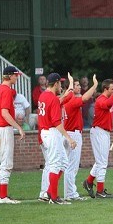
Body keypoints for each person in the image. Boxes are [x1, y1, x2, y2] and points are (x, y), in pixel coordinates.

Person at [38, 72, 77, 205]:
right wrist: (68, 137)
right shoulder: (52, 98)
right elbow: (56, 121)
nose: (61, 85)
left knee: (63, 162)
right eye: (60, 83)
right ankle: (54, 197)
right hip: (51, 132)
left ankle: (50, 191)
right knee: (55, 164)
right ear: (55, 83)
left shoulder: (43, 95)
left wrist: (70, 86)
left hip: (47, 132)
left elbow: (63, 98)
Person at [82, 76, 113, 199]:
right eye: (112, 89)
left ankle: (89, 182)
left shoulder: (106, 98)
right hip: (99, 132)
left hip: (103, 132)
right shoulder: (101, 99)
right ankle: (100, 191)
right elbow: (109, 104)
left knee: (100, 161)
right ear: (105, 89)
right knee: (102, 163)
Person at [0, 66, 25, 204]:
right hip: (4, 129)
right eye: (16, 75)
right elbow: (5, 113)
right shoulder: (6, 90)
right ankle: (2, 196)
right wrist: (19, 128)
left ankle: (2, 195)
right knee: (6, 163)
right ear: (10, 76)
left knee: (4, 162)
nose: (17, 77)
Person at [62, 74, 98, 201]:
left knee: (69, 166)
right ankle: (71, 194)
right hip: (73, 134)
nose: (78, 87)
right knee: (72, 166)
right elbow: (85, 98)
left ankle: (69, 193)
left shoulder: (65, 100)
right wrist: (94, 86)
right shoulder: (71, 100)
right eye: (76, 85)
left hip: (68, 133)